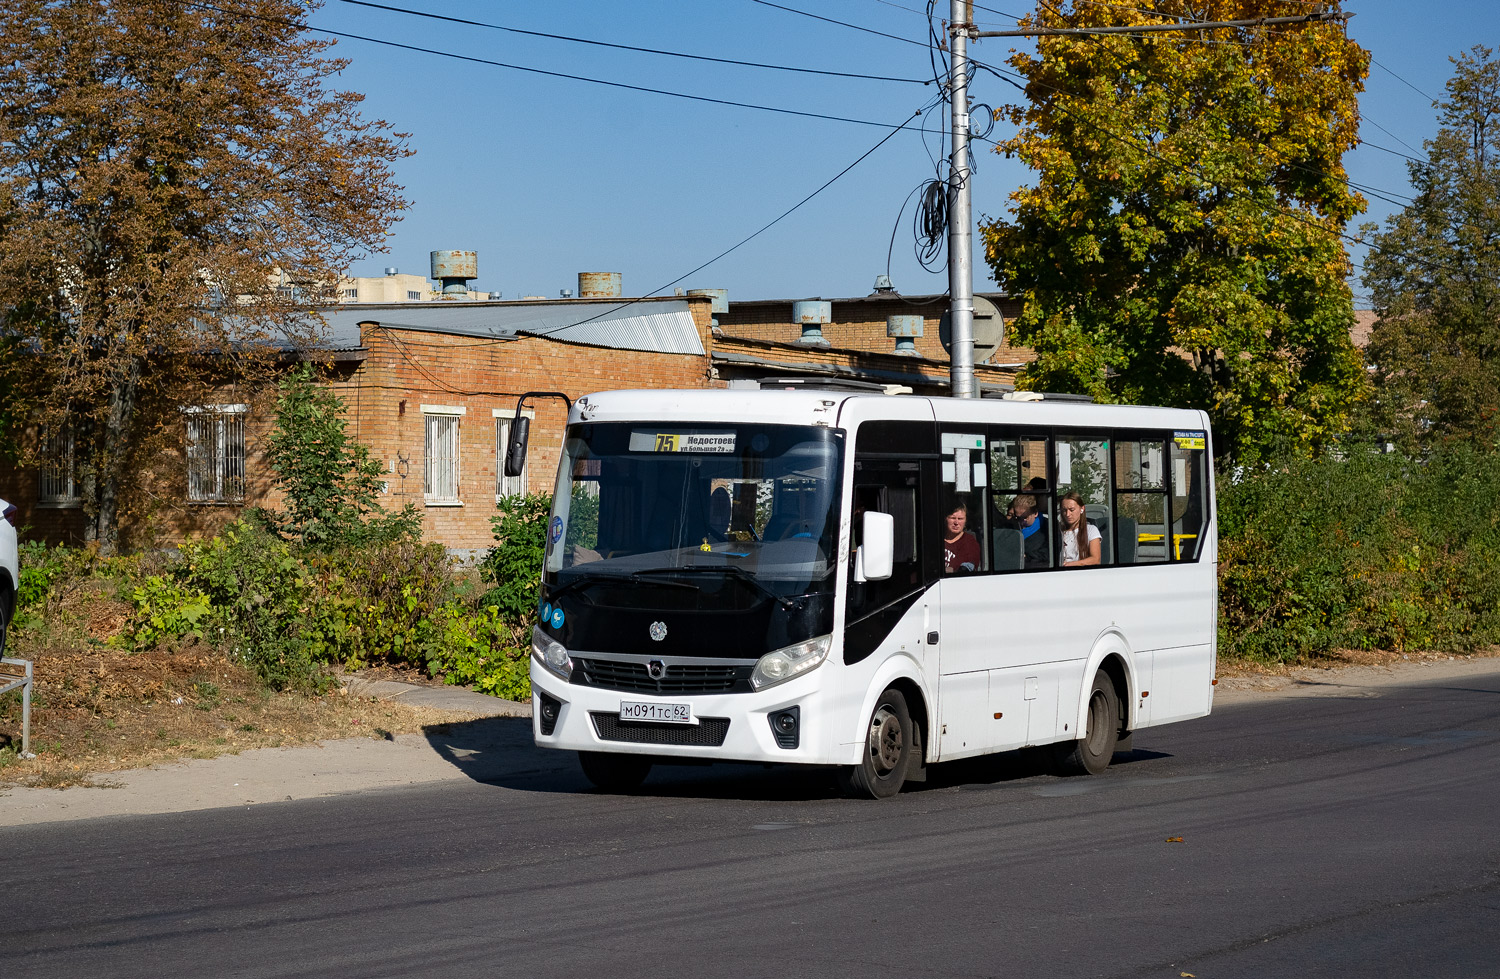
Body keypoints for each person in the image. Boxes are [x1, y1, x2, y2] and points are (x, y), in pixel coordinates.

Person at [1058, 490, 1101, 567]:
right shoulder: (1058, 531)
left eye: (1072, 510)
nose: (1068, 514)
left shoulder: (1091, 530)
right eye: (1064, 510)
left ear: (1082, 509)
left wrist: (1070, 565)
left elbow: (1095, 559)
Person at [942, 498, 980, 574]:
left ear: (965, 521)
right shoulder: (935, 538)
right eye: (953, 518)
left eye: (960, 519)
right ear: (946, 519)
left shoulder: (970, 543)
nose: (956, 522)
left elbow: (964, 570)